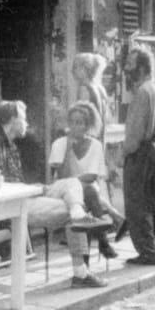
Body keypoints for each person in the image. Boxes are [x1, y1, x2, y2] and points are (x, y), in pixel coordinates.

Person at [0, 100, 107, 288]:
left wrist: (35, 187)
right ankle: (81, 273)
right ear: (13, 120)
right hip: (13, 205)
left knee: (72, 183)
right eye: (23, 118)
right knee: (73, 215)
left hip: (25, 195)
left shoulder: (12, 144)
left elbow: (11, 179)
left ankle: (76, 209)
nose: (27, 123)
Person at [50, 99, 124, 260]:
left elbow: (92, 176)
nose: (76, 127)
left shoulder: (96, 145)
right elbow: (62, 177)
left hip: (88, 192)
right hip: (64, 191)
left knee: (90, 189)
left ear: (88, 125)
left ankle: (97, 248)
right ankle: (105, 240)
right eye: (73, 123)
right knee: (90, 190)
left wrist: (76, 182)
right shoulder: (60, 144)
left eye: (81, 123)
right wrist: (68, 150)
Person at [122, 44, 155, 265]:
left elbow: (135, 132)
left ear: (141, 68)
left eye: (130, 65)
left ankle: (147, 251)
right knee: (153, 202)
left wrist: (124, 152)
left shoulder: (142, 92)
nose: (125, 69)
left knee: (137, 203)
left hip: (141, 152)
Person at [70, 52, 114, 146]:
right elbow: (107, 118)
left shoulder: (84, 89)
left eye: (75, 67)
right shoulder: (100, 88)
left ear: (84, 69)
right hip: (99, 140)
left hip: (87, 142)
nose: (72, 71)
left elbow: (81, 120)